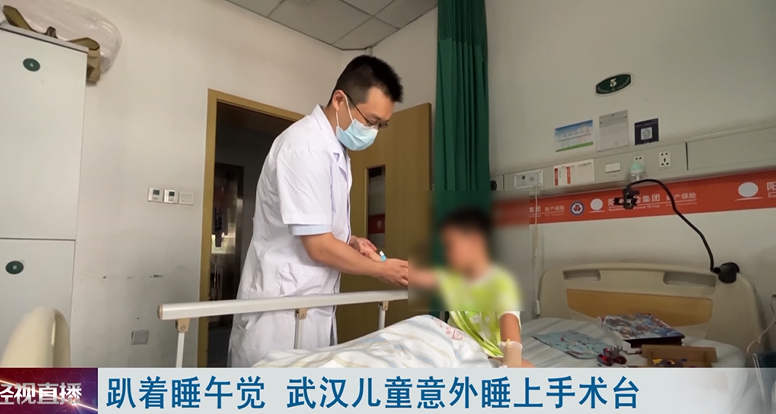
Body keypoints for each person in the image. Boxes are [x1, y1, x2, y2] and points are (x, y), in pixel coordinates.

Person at [229, 55, 409, 367]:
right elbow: (318, 246)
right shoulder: (305, 147)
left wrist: (351, 240)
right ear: (340, 100)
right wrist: (383, 270)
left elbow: (318, 226)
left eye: (382, 125)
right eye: (370, 121)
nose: (374, 131)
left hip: (309, 304)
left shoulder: (334, 149)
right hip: (281, 310)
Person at [409, 207, 533, 367]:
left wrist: (513, 360)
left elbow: (509, 322)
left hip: (487, 356)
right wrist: (383, 262)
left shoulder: (501, 285)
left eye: (450, 246)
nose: (446, 254)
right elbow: (414, 276)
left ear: (474, 242)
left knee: (527, 368)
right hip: (453, 349)